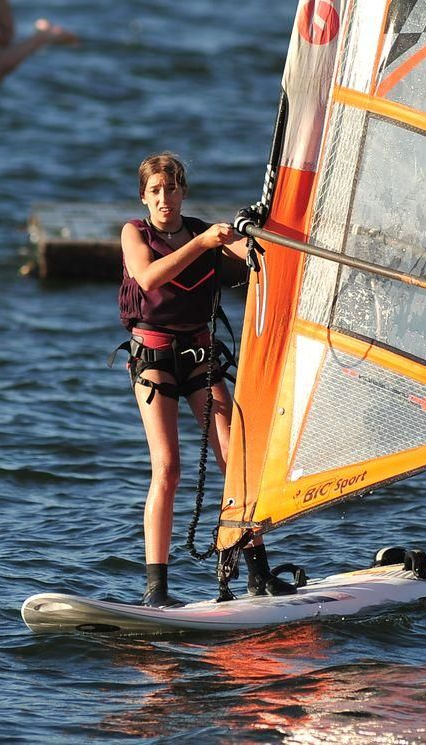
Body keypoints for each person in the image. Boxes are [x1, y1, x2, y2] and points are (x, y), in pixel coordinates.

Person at [118, 152, 297, 607]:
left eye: (172, 189)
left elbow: (260, 254)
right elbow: (149, 278)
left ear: (183, 193)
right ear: (144, 196)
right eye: (156, 191)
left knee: (234, 462)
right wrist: (203, 244)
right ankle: (156, 591)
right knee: (169, 468)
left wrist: (256, 232)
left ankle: (257, 575)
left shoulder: (204, 230)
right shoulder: (135, 233)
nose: (165, 199)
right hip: (154, 355)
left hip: (200, 355)